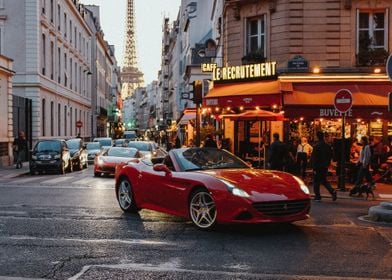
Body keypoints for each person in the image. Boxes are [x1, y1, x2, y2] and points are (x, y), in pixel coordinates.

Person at [310, 131, 337, 202]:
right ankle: (332, 191)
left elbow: (314, 157)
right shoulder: (327, 146)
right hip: (325, 166)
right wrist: (327, 164)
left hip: (318, 166)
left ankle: (317, 196)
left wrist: (313, 167)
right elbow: (331, 156)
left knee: (316, 181)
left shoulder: (316, 146)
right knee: (324, 180)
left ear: (317, 137)